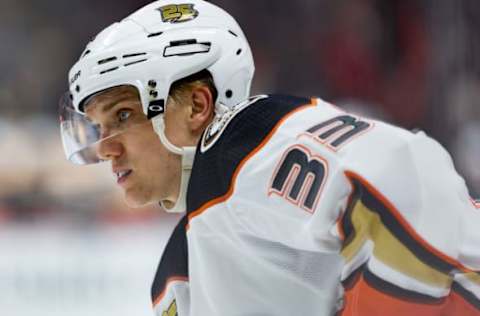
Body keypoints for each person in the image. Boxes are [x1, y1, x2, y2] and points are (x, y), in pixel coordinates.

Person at [59, 1, 480, 315]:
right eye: (97, 127)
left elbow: (409, 175)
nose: (104, 146)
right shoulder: (179, 273)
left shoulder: (256, 152)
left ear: (197, 107)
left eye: (123, 115)